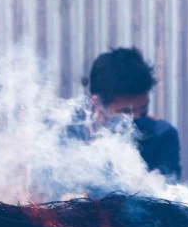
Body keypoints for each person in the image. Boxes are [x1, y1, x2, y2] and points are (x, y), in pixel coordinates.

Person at [76, 47, 181, 179]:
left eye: (143, 109)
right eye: (126, 112)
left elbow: (165, 191)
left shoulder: (161, 135)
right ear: (96, 104)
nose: (136, 118)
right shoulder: (66, 131)